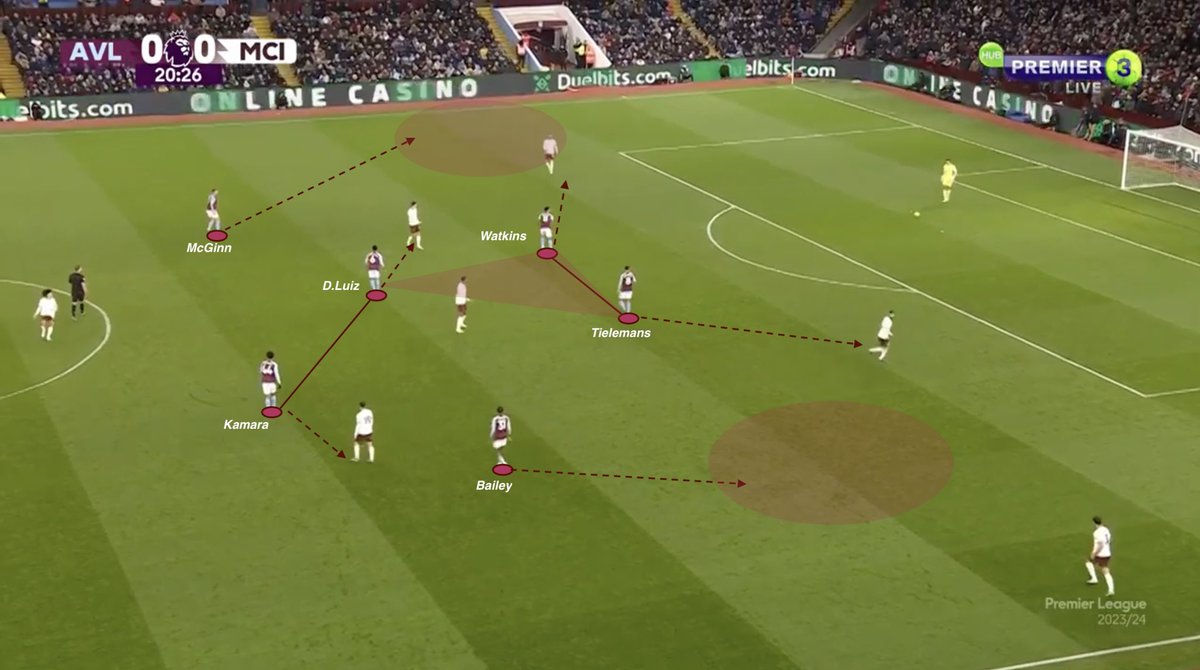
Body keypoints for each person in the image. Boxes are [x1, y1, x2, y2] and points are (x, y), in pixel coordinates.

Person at [1086, 516, 1115, 596]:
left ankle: (1095, 579)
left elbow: (1101, 544)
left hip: (1100, 554)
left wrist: (1094, 553)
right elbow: (1109, 540)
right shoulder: (1106, 529)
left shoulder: (1096, 533)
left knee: (1090, 563)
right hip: (1107, 553)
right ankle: (1110, 589)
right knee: (1103, 569)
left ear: (1094, 523)